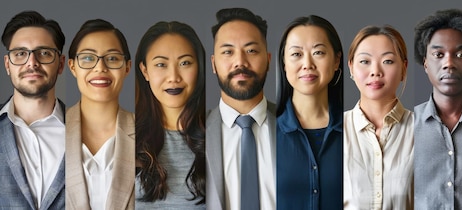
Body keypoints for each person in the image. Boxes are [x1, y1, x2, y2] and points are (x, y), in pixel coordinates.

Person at [413, 9, 462, 210]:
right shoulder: (405, 127)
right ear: (425, 64)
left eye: (460, 54)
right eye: (438, 54)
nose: (448, 63)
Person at [207, 7, 276, 210]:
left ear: (268, 60)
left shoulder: (295, 124)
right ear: (213, 63)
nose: (240, 62)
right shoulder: (192, 130)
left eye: (251, 50)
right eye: (228, 52)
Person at [134, 21, 206, 209]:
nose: (174, 76)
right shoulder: (123, 134)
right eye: (161, 64)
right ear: (145, 71)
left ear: (199, 68)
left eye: (185, 63)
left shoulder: (220, 134)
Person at [65, 19, 134, 210]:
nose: (100, 68)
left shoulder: (149, 132)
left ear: (127, 67)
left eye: (112, 58)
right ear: (72, 67)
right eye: (88, 58)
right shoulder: (53, 129)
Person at [276, 15, 343, 210]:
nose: (307, 64)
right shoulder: (266, 133)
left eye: (318, 52)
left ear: (336, 60)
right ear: (284, 63)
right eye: (296, 54)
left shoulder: (356, 130)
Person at [0, 10, 66, 209]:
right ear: (7, 65)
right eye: (20, 53)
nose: (32, 63)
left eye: (44, 53)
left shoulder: (90, 132)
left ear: (61, 64)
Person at [343, 25, 413, 210]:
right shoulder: (332, 131)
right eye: (365, 61)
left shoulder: (424, 130)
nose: (375, 71)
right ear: (351, 67)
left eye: (388, 61)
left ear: (404, 68)